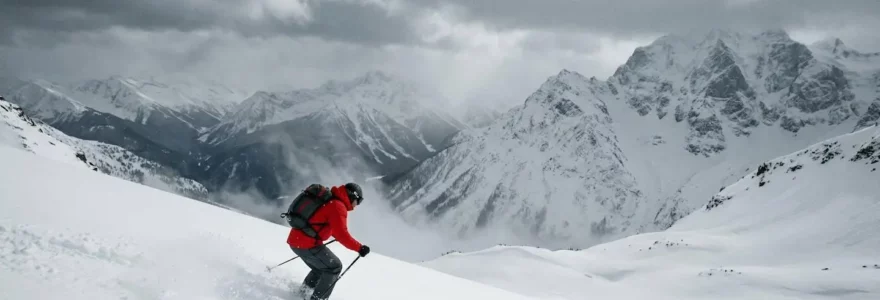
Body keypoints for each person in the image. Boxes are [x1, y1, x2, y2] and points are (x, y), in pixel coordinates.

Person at [287, 182, 370, 300]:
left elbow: (328, 225)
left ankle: (302, 294)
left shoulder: (332, 200)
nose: (356, 205)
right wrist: (360, 248)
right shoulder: (338, 206)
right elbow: (342, 235)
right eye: (358, 201)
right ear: (352, 196)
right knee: (334, 267)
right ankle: (318, 298)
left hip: (297, 240)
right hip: (307, 244)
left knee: (320, 268)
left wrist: (331, 234)